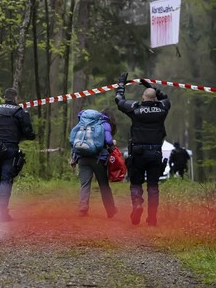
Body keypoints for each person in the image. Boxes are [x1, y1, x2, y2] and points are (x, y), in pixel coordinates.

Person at [115, 73, 171, 226]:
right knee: (153, 186)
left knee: (136, 183)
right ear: (154, 99)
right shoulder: (163, 109)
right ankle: (152, 217)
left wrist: (121, 84)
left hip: (138, 153)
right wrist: (150, 86)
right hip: (155, 153)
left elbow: (119, 102)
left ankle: (137, 204)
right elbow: (164, 97)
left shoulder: (136, 109)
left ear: (143, 98)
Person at [0, 87, 36, 222]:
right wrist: (29, 136)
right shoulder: (19, 112)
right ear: (15, 97)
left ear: (4, 97)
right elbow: (29, 133)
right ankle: (2, 212)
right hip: (10, 149)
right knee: (6, 179)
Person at [70, 108, 118, 218]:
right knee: (104, 185)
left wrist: (74, 158)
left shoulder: (83, 123)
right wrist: (112, 143)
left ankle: (83, 209)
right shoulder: (105, 124)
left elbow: (74, 141)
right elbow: (109, 141)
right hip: (98, 159)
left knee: (85, 184)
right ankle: (110, 210)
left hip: (82, 158)